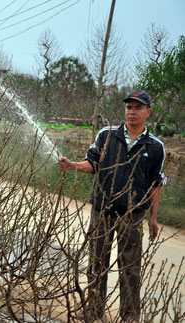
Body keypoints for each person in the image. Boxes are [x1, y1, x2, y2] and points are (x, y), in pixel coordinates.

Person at [57, 90, 166, 322]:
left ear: (148, 112)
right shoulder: (107, 135)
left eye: (138, 107)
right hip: (102, 211)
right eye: (129, 107)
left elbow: (155, 184)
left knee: (131, 268)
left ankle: (129, 316)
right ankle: (93, 309)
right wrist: (72, 165)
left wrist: (153, 218)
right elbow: (92, 164)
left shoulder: (155, 147)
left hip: (132, 215)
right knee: (97, 263)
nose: (132, 112)